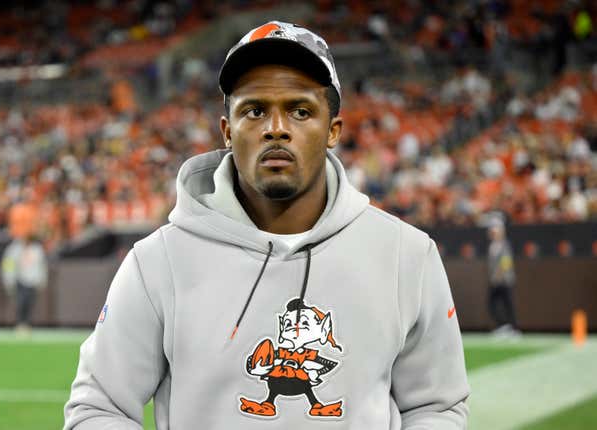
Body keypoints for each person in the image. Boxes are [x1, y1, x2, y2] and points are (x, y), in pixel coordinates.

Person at [64, 21, 469, 429]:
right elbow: (98, 409)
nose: (276, 128)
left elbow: (436, 408)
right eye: (254, 111)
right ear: (227, 131)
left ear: (333, 131)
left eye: (300, 111)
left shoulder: (406, 255)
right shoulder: (158, 262)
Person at [0, 232, 48, 335]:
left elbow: (42, 265)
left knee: (30, 304)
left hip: (32, 281)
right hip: (20, 280)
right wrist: (8, 279)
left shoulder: (37, 249)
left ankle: (26, 324)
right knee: (20, 303)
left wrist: (42, 279)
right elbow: (8, 264)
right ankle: (20, 324)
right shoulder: (14, 249)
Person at [486, 219, 519, 336]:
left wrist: (499, 275)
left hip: (504, 280)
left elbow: (506, 262)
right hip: (494, 281)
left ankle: (513, 328)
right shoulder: (492, 246)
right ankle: (503, 326)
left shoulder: (505, 245)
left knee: (508, 304)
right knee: (492, 305)